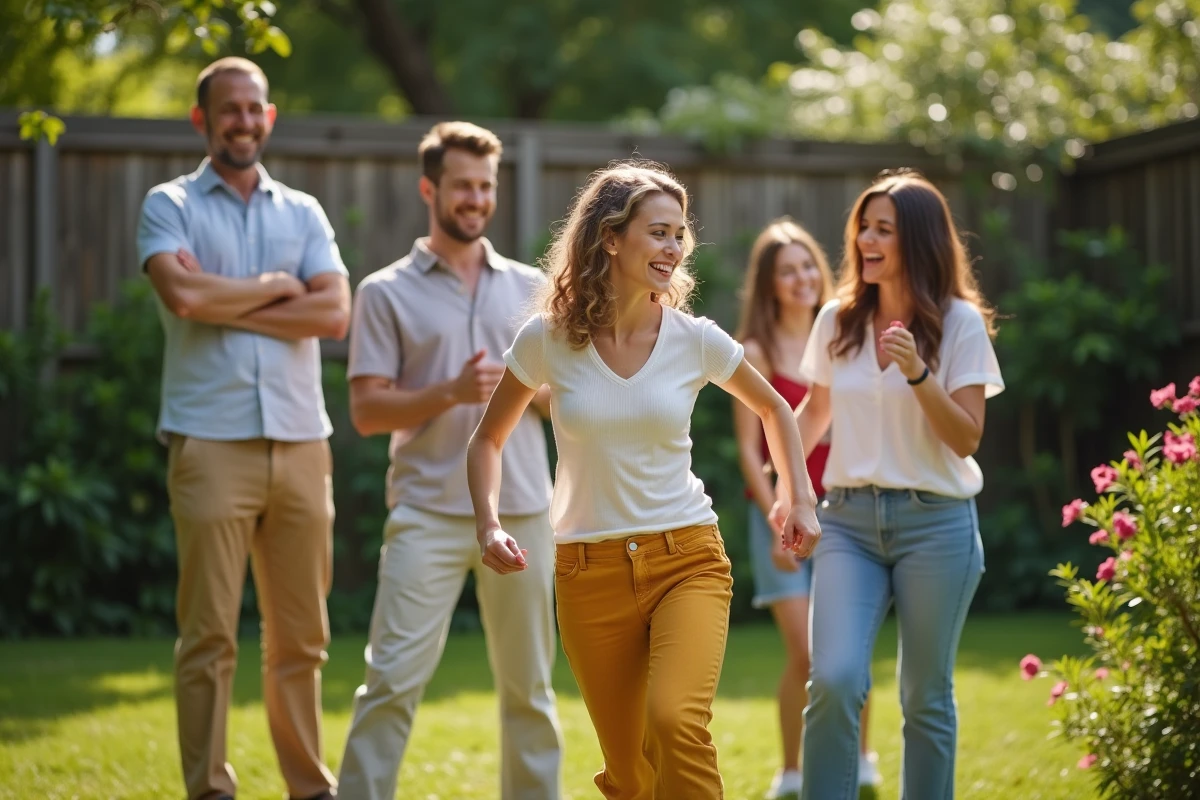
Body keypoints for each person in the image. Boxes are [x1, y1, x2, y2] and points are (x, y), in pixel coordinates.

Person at [466, 161, 823, 800]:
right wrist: (489, 523)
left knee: (674, 720)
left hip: (687, 558)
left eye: (679, 234)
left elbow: (775, 409)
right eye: (659, 232)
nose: (673, 247)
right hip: (587, 571)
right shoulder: (548, 339)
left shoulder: (695, 339)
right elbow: (487, 439)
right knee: (630, 773)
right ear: (610, 237)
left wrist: (799, 499)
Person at [136, 57, 350, 800]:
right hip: (209, 441)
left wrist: (221, 298)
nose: (243, 121)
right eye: (229, 109)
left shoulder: (304, 212)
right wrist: (276, 289)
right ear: (202, 119)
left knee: (303, 638)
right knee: (208, 636)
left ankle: (310, 788)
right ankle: (210, 790)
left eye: (254, 108)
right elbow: (183, 299)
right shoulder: (168, 205)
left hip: (301, 441)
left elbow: (334, 313)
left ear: (271, 116)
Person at [337, 121, 562, 800]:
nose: (476, 199)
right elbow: (367, 412)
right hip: (427, 512)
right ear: (429, 189)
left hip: (523, 509)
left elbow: (559, 402)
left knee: (530, 688)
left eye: (486, 186)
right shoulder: (383, 292)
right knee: (391, 681)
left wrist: (526, 393)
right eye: (463, 185)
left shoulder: (532, 288)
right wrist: (450, 392)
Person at [773, 169, 1004, 800]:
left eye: (884, 230)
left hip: (937, 525)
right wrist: (787, 489)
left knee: (925, 696)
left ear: (920, 240)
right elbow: (812, 414)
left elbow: (966, 437)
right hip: (848, 522)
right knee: (834, 679)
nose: (866, 241)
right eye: (864, 227)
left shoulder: (959, 323)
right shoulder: (838, 319)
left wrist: (919, 373)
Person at [731, 218, 880, 798]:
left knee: (847, 648)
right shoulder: (755, 351)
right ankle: (792, 771)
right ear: (769, 285)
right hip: (781, 515)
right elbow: (750, 449)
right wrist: (779, 510)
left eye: (808, 267)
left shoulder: (844, 335)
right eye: (787, 272)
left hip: (844, 511)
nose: (802, 279)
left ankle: (862, 759)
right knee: (807, 653)